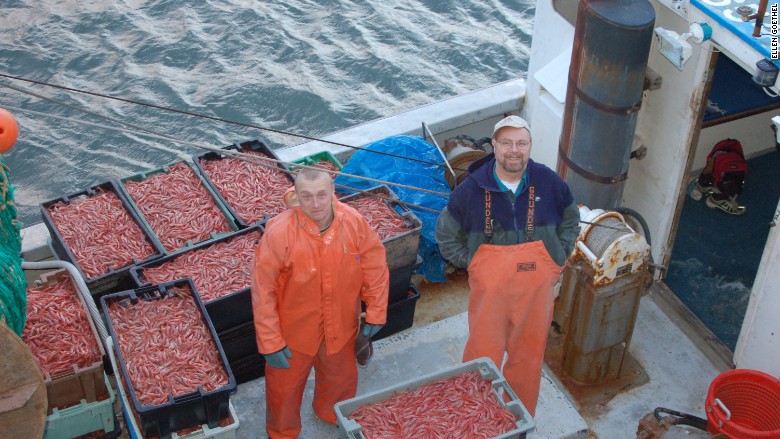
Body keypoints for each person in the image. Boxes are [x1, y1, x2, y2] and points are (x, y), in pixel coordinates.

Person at [435, 115, 580, 416]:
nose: (514, 150)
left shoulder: (551, 183)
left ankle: (519, 418)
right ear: (494, 146)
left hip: (536, 291)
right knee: (481, 354)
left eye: (521, 143)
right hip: (491, 292)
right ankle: (475, 418)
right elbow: (446, 235)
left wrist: (558, 258)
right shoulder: (469, 190)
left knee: (528, 357)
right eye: (506, 143)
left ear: (529, 146)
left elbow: (571, 221)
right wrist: (472, 264)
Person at [251, 167, 390, 438]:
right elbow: (262, 289)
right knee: (284, 391)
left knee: (340, 380)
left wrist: (376, 312)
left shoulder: (355, 222)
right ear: (296, 197)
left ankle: (330, 412)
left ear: (332, 193)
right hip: (293, 333)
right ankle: (282, 432)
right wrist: (270, 341)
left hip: (342, 325)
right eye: (307, 196)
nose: (315, 204)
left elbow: (375, 268)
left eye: (321, 195)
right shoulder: (279, 233)